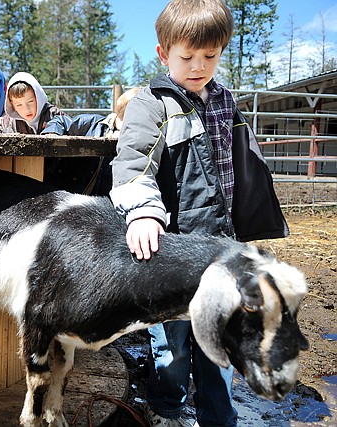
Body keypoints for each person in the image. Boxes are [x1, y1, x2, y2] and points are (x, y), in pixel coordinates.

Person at [109, 1, 288, 426]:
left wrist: (249, 227)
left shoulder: (225, 102)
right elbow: (134, 162)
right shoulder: (151, 105)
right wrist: (143, 213)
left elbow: (242, 167)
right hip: (171, 248)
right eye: (187, 56)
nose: (198, 66)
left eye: (209, 56)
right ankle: (167, 407)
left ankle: (218, 417)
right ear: (163, 53)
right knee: (172, 343)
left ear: (221, 51)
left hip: (221, 246)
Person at [41, 87, 141, 195]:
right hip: (75, 192)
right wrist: (52, 134)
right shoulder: (93, 123)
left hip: (107, 200)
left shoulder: (139, 138)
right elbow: (61, 121)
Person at [0, 71, 64, 134]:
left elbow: (64, 123)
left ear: (38, 97)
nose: (26, 109)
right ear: (12, 105)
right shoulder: (11, 121)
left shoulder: (52, 114)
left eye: (30, 101)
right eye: (19, 105)